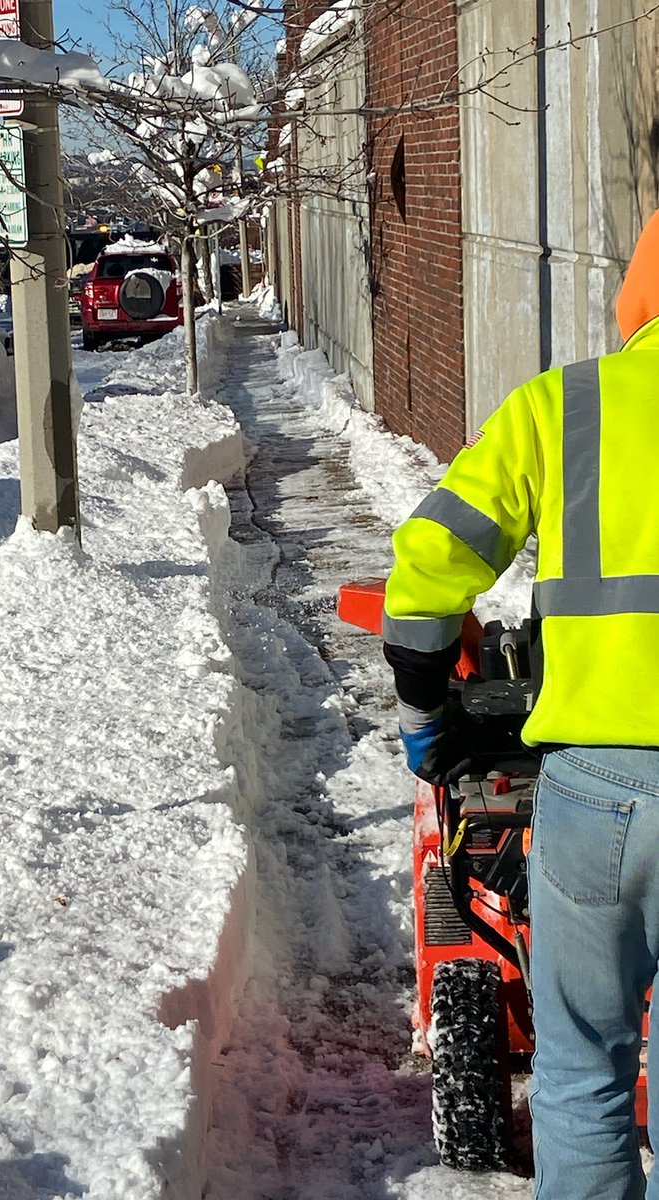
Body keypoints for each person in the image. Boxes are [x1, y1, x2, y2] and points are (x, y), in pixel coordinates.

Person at [383, 209, 659, 1200]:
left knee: (581, 1074)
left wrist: (426, 721)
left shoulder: (565, 408)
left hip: (596, 797)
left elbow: (421, 580)